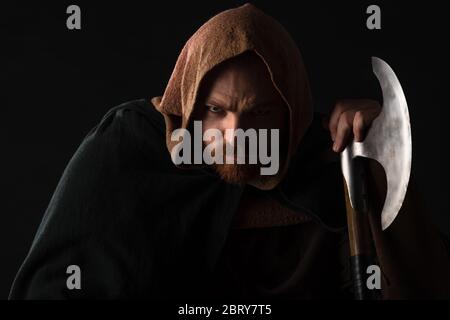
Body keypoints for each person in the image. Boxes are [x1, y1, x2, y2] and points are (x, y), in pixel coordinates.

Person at [9, 3, 450, 299]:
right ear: (188, 103)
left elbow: (419, 286)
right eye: (215, 110)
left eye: (258, 112)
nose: (234, 132)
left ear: (291, 112)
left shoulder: (329, 159)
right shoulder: (131, 152)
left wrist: (377, 154)